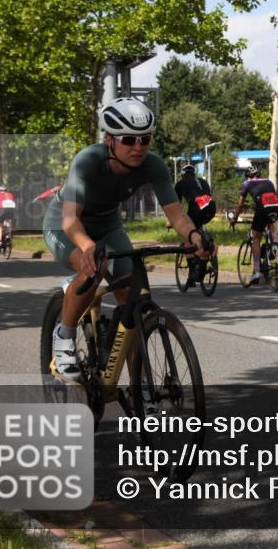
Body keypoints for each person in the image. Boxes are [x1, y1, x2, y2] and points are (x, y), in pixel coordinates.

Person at [42, 97, 210, 383]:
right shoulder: (87, 161)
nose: (138, 147)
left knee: (133, 303)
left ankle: (141, 387)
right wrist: (86, 246)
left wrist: (195, 236)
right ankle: (64, 334)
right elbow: (71, 220)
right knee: (90, 268)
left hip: (108, 225)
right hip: (66, 227)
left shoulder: (153, 165)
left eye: (145, 139)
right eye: (129, 140)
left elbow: (178, 217)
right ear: (109, 139)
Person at [231, 167, 278, 286]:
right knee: (271, 222)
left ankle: (257, 271)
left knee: (256, 238)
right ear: (258, 175)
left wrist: (234, 218)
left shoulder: (247, 183)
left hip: (262, 208)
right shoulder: (268, 181)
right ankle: (274, 245)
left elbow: (240, 204)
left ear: (247, 176)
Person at [174, 164, 216, 286]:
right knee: (200, 233)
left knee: (188, 235)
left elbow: (176, 206)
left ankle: (193, 272)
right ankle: (205, 256)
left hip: (196, 208)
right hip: (211, 208)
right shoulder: (203, 181)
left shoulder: (180, 184)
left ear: (183, 175)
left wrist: (173, 221)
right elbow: (206, 197)